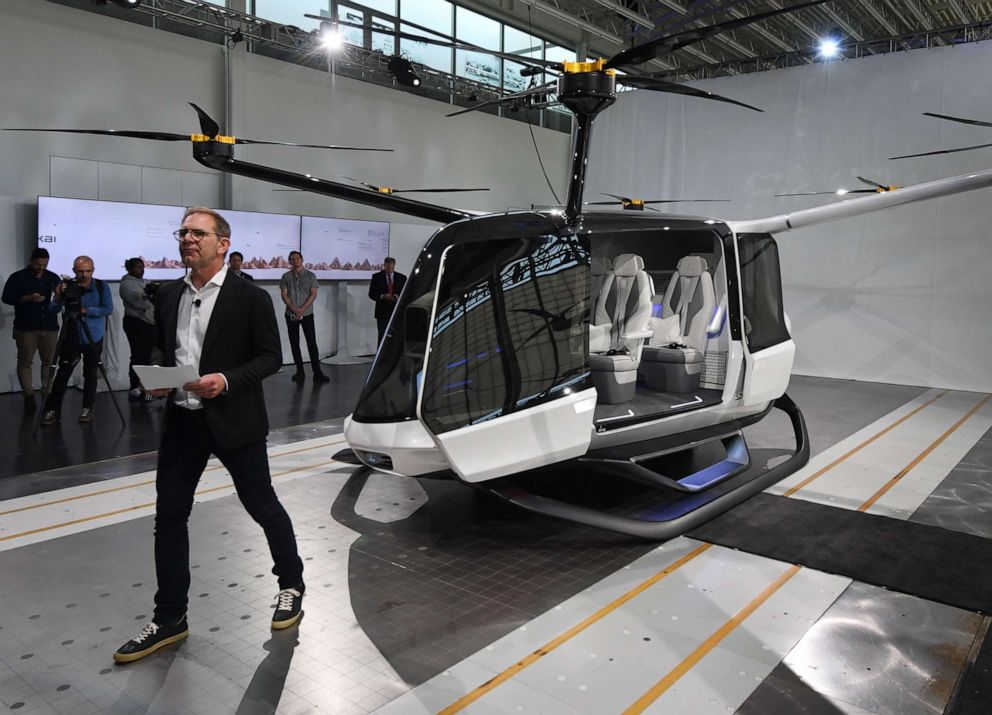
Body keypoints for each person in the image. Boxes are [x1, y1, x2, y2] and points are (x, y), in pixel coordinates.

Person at [114, 207, 305, 664]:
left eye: (198, 233)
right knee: (170, 517)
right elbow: (167, 348)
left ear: (223, 243)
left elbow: (269, 358)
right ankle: (170, 618)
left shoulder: (250, 297)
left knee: (262, 505)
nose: (187, 239)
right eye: (183, 232)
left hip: (235, 420)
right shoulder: (168, 295)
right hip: (182, 420)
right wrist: (157, 376)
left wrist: (226, 380)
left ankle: (291, 583)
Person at [41, 256, 113, 425]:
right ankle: (53, 410)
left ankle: (87, 409)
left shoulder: (101, 287)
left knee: (90, 374)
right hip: (71, 335)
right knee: (62, 374)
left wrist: (86, 310)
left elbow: (108, 309)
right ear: (74, 271)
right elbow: (53, 309)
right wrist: (58, 297)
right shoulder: (67, 286)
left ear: (93, 270)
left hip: (93, 336)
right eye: (80, 271)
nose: (84, 275)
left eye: (88, 271)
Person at [1, 248, 61, 412]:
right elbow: (6, 297)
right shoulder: (18, 277)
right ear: (30, 260)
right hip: (26, 327)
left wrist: (59, 297)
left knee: (49, 362)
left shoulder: (53, 277)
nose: (41, 268)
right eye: (38, 264)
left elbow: (59, 301)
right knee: (25, 361)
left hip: (49, 326)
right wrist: (28, 298)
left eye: (44, 264)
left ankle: (47, 392)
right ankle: (28, 395)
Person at [279, 251, 328, 384]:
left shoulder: (311, 275)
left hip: (307, 314)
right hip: (291, 314)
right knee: (294, 344)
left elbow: (313, 294)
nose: (295, 261)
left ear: (302, 259)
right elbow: (284, 294)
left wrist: (302, 309)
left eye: (297, 258)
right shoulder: (285, 276)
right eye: (292, 259)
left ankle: (317, 372)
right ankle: (299, 372)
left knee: (312, 343)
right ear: (289, 261)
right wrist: (294, 309)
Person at [119, 258, 157, 400]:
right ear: (130, 269)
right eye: (138, 267)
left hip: (149, 323)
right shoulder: (126, 284)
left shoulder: (145, 282)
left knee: (148, 357)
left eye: (142, 267)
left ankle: (147, 386)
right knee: (138, 356)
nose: (142, 270)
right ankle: (135, 386)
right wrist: (147, 295)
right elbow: (138, 302)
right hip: (135, 322)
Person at [368, 256, 406, 345]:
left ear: (394, 266)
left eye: (392, 268)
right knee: (382, 335)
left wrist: (398, 296)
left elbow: (407, 293)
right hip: (382, 312)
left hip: (396, 311)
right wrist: (382, 296)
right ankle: (381, 357)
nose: (390, 270)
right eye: (388, 268)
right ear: (384, 265)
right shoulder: (377, 277)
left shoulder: (402, 278)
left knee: (396, 336)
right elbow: (371, 294)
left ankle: (394, 357)